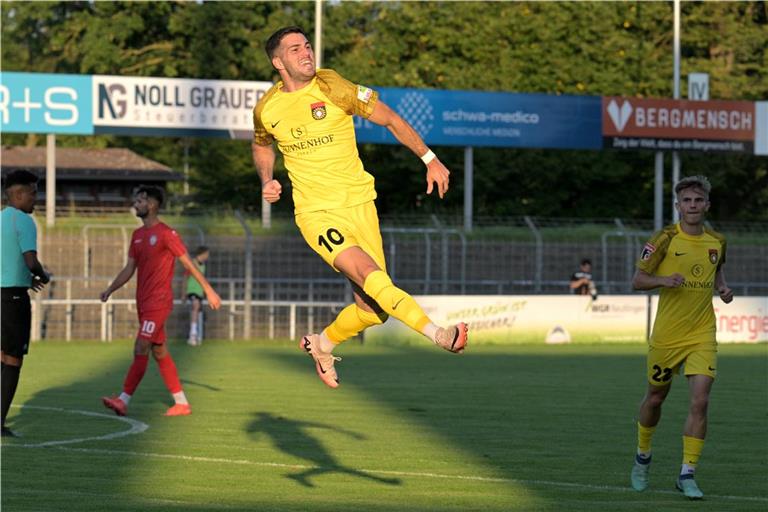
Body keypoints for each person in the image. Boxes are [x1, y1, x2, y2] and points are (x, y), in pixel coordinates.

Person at [251, 26, 468, 389]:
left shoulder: (334, 86)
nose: (306, 52)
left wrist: (429, 158)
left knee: (373, 310)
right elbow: (260, 144)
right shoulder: (267, 109)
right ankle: (439, 335)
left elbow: (391, 118)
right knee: (370, 273)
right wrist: (267, 180)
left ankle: (322, 344)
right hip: (317, 214)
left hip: (361, 204)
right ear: (278, 62)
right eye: (295, 49)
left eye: (307, 45)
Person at [629, 175, 733, 500]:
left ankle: (687, 473)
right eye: (686, 201)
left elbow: (716, 269)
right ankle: (642, 455)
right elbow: (637, 280)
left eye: (697, 201)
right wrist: (663, 279)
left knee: (701, 400)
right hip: (667, 336)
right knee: (656, 398)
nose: (692, 206)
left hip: (702, 333)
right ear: (677, 206)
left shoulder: (717, 240)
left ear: (706, 205)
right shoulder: (663, 239)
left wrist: (723, 289)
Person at [100, 186, 221, 417]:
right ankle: (181, 403)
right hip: (143, 303)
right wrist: (110, 289)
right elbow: (129, 269)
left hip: (159, 301)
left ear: (153, 205)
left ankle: (123, 399)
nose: (136, 204)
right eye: (136, 200)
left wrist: (209, 291)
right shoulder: (137, 236)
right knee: (159, 351)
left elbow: (188, 263)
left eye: (141, 200)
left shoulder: (167, 233)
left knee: (141, 346)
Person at [0, 170, 50, 437]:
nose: (36, 199)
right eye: (33, 192)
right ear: (18, 194)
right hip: (13, 300)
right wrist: (43, 275)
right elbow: (30, 261)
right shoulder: (24, 221)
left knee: (0, 357)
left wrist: (23, 279)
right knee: (13, 360)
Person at [183, 245, 210, 346]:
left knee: (197, 310)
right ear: (202, 253)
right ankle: (193, 334)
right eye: (207, 254)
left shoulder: (203, 265)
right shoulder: (192, 263)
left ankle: (196, 334)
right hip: (192, 290)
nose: (208, 256)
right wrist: (184, 293)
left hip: (199, 291)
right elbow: (185, 278)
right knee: (196, 306)